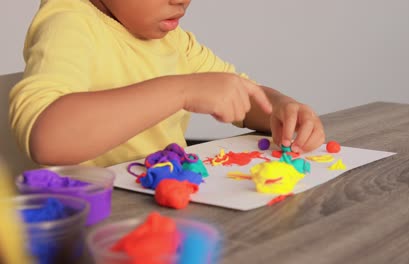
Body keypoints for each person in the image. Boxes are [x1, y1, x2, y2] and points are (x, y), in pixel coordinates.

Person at [9, 0, 325, 168]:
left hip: (161, 204)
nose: (182, 0)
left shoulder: (174, 41)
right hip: (94, 225)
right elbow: (48, 139)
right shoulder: (68, 23)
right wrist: (183, 90)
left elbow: (239, 97)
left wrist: (281, 109)